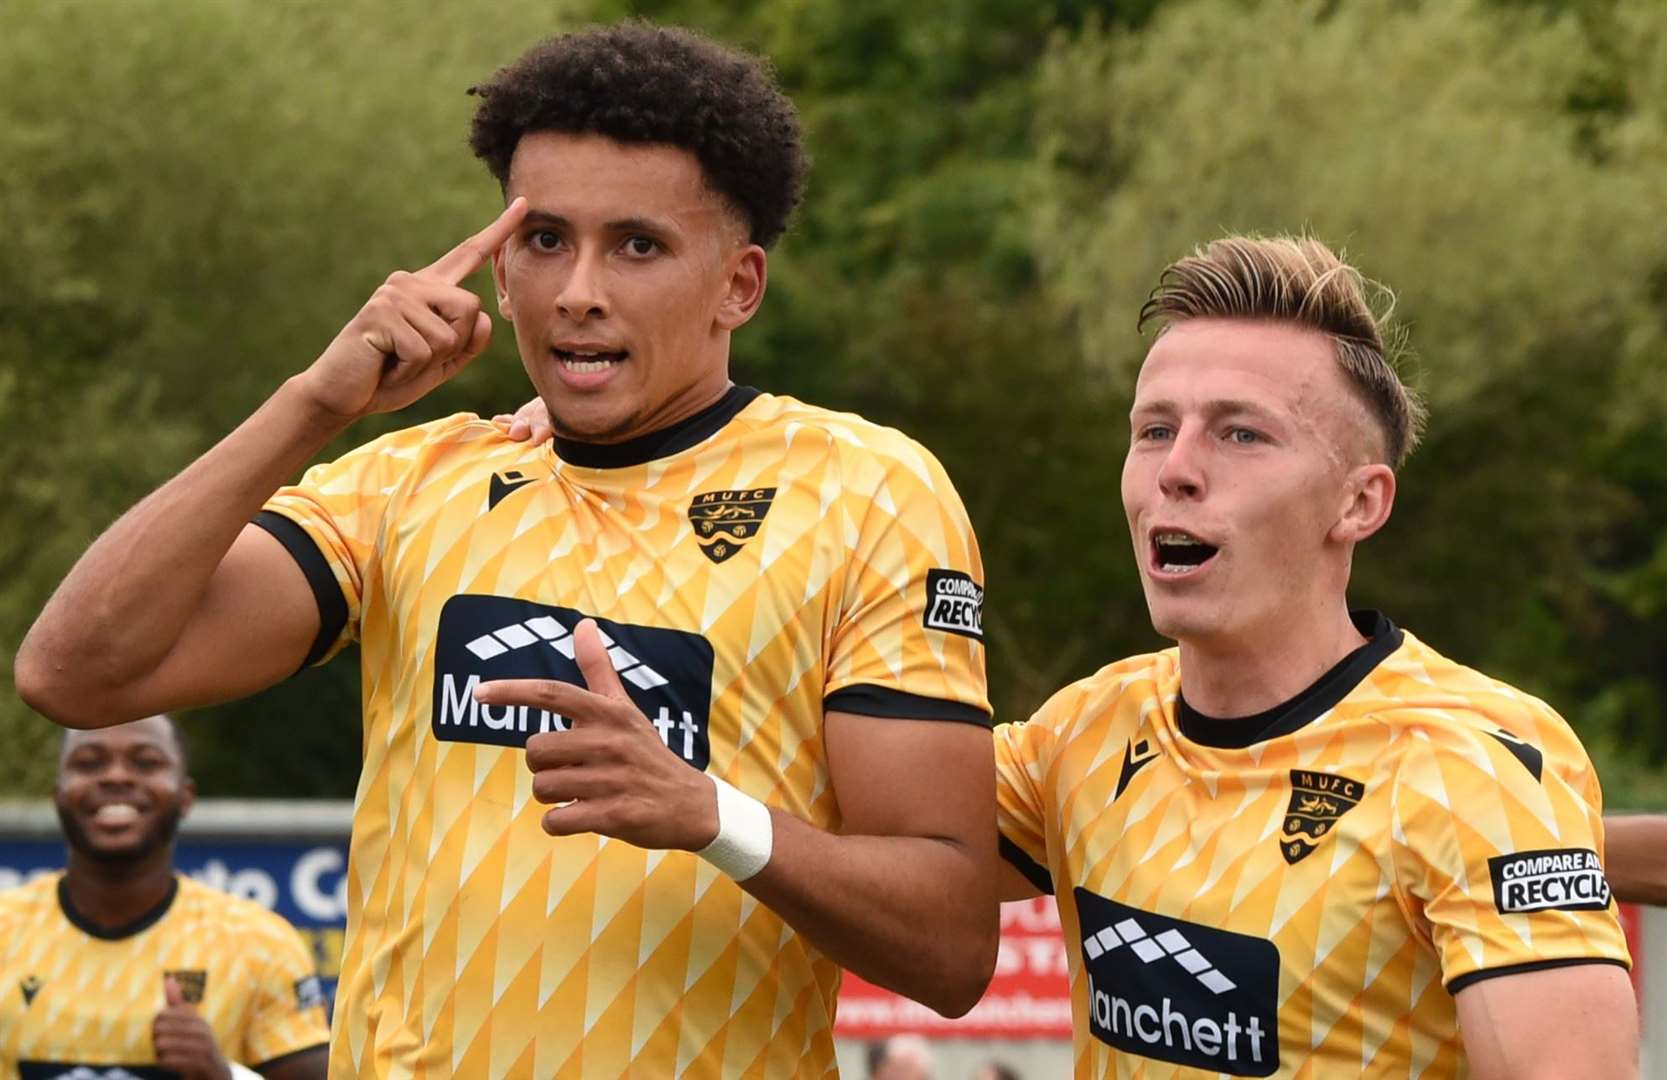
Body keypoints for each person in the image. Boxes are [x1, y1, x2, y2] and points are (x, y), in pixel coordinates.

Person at [16, 23, 999, 1078]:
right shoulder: (411, 484)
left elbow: (946, 944)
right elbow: (74, 671)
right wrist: (314, 404)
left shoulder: (864, 492)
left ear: (739, 286)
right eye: (543, 241)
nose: (578, 288)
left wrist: (708, 814)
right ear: (497, 270)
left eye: (637, 245)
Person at [987, 237, 1636, 1077]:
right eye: (1153, 430)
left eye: (1240, 434)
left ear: (1358, 501)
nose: (1174, 471)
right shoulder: (1083, 730)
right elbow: (859, 829)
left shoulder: (1471, 764)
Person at [0, 715, 329, 1079]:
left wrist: (223, 1075)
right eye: (90, 763)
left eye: (146, 762)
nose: (116, 776)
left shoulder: (260, 944)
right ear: (58, 795)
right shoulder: (5, 930)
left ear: (185, 797)